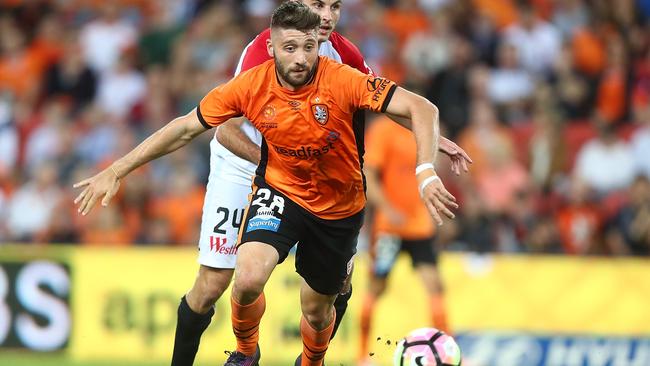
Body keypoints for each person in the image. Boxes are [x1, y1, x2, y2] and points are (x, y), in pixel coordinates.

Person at [73, 2, 460, 365]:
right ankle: (244, 354)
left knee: (322, 301)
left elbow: (408, 105)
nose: (326, 16)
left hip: (333, 193)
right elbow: (200, 128)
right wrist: (117, 169)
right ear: (276, 44)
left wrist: (426, 145)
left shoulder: (345, 65)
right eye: (317, 5)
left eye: (334, 6)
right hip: (256, 166)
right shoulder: (256, 67)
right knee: (227, 279)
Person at [358, 115, 450, 364]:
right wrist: (386, 209)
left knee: (434, 284)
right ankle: (363, 355)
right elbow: (370, 173)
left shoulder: (424, 127)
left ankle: (447, 350)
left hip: (420, 225)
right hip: (390, 227)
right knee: (377, 287)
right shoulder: (383, 130)